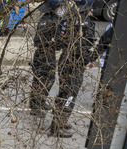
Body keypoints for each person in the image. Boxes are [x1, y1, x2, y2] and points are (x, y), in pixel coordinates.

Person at [28, 0, 101, 137]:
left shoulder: (70, 18)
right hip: (71, 61)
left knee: (64, 92)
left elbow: (61, 39)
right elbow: (81, 45)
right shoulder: (81, 21)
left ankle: (59, 120)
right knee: (68, 94)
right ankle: (56, 124)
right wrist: (86, 59)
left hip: (65, 58)